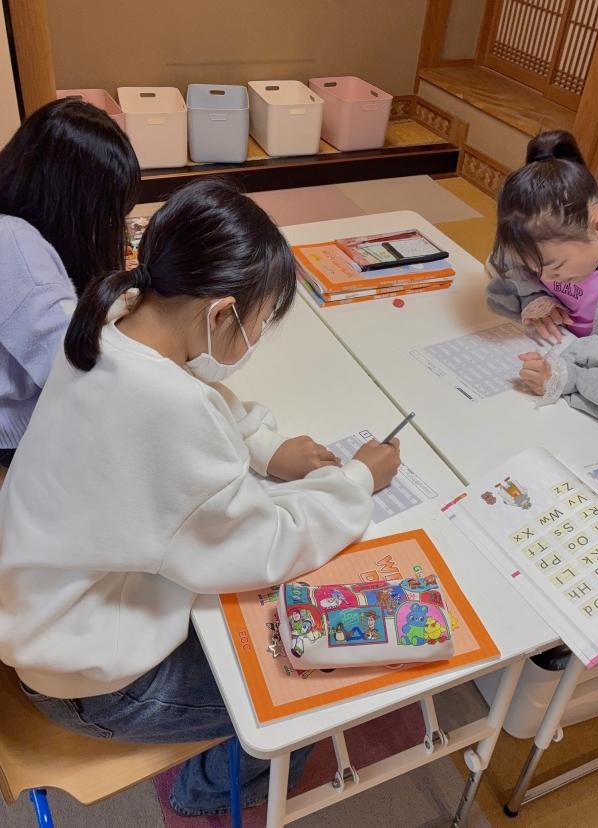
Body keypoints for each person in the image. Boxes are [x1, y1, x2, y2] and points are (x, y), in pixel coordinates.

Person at [0, 179, 400, 816]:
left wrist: (266, 448)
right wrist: (354, 480)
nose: (258, 339)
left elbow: (194, 397)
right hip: (96, 680)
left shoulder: (114, 322)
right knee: (314, 677)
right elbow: (265, 543)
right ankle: (205, 786)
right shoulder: (165, 412)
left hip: (48, 617)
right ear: (220, 314)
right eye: (261, 323)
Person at [0, 98, 140, 467]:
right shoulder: (14, 244)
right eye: (108, 214)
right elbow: (75, 365)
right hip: (18, 439)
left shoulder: (18, 232)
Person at [486, 130, 598, 414]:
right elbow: (501, 264)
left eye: (556, 267)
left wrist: (566, 379)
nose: (546, 278)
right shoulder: (545, 247)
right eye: (534, 269)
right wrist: (534, 296)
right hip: (560, 344)